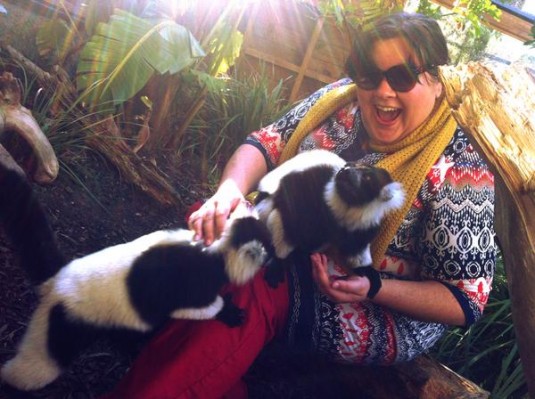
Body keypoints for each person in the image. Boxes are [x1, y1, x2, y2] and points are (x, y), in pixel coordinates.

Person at [101, 11, 496, 399]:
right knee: (212, 238)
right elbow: (265, 143)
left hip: (376, 305)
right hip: (290, 236)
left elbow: (464, 298)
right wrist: (228, 193)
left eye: (402, 77)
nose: (382, 91)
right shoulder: (341, 100)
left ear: (438, 81)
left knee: (253, 284)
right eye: (369, 75)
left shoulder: (462, 167)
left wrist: (372, 286)